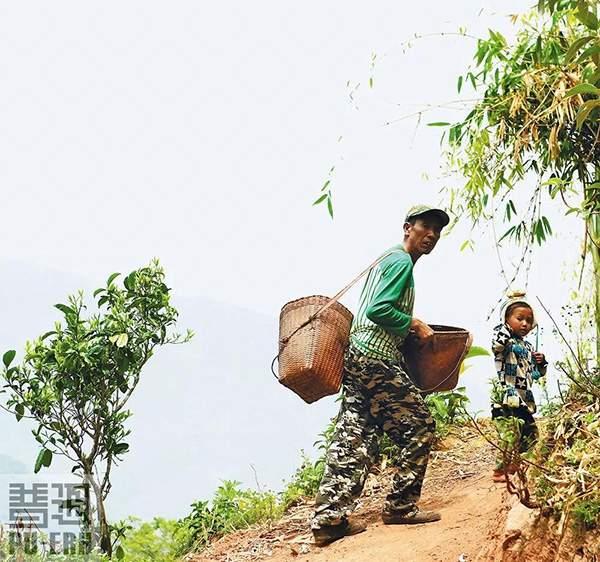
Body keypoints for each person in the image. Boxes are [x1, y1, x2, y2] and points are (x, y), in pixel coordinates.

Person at [311, 204, 449, 547]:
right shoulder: (401, 261)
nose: (431, 234)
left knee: (354, 434)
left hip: (356, 357)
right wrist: (414, 323)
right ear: (407, 228)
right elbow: (378, 310)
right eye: (425, 227)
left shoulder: (385, 258)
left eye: (437, 230)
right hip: (375, 359)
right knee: (420, 426)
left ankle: (329, 520)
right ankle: (401, 507)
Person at [490, 291, 548, 483]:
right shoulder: (503, 340)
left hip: (523, 398)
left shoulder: (529, 347)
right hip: (507, 395)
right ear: (506, 320)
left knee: (530, 433)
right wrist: (506, 325)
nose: (525, 324)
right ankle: (500, 471)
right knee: (509, 433)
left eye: (529, 320)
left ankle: (519, 464)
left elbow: (535, 374)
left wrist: (541, 363)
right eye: (519, 318)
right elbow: (497, 344)